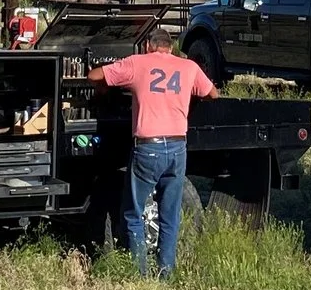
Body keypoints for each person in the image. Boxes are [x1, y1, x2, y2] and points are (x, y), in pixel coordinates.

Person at [90, 22, 218, 275]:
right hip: (178, 147)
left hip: (148, 147)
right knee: (169, 215)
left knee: (133, 213)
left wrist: (105, 88)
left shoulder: (139, 63)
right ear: (171, 48)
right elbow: (212, 93)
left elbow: (95, 75)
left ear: (149, 46)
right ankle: (166, 272)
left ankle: (140, 272)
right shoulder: (189, 67)